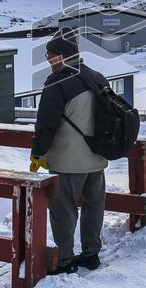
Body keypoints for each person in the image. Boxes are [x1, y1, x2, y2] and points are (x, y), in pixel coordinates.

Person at [30, 33, 109, 274]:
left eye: (50, 56)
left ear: (62, 57)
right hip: (97, 156)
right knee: (93, 207)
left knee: (63, 211)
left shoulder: (57, 82)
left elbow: (46, 124)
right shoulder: (97, 77)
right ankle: (91, 254)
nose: (48, 61)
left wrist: (38, 154)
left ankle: (64, 261)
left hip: (67, 161)